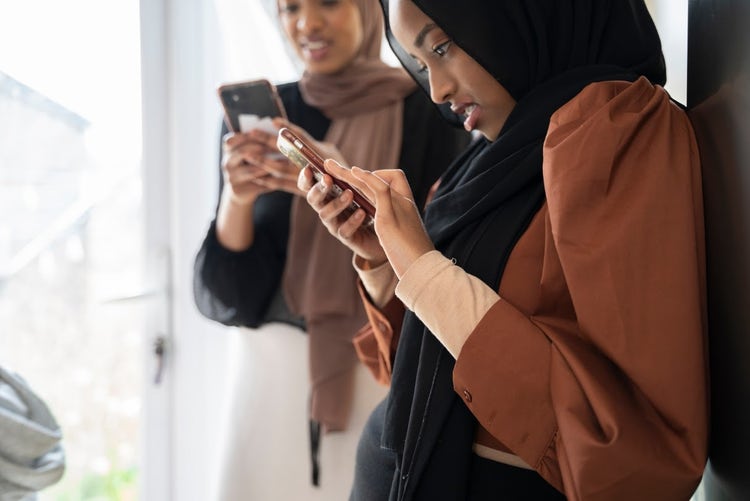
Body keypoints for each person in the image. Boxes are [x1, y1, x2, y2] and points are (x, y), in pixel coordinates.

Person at [297, 0, 709, 499]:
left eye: (443, 48)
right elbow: (427, 374)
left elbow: (634, 455)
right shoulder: (488, 160)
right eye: (422, 64)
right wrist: (387, 262)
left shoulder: (617, 130)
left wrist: (424, 268)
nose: (438, 89)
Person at [193, 0, 470, 498]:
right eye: (289, 7)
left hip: (381, 374)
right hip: (270, 383)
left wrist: (339, 177)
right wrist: (236, 198)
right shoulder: (272, 115)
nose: (306, 23)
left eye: (326, 2)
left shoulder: (433, 109)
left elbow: (442, 261)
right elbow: (229, 294)